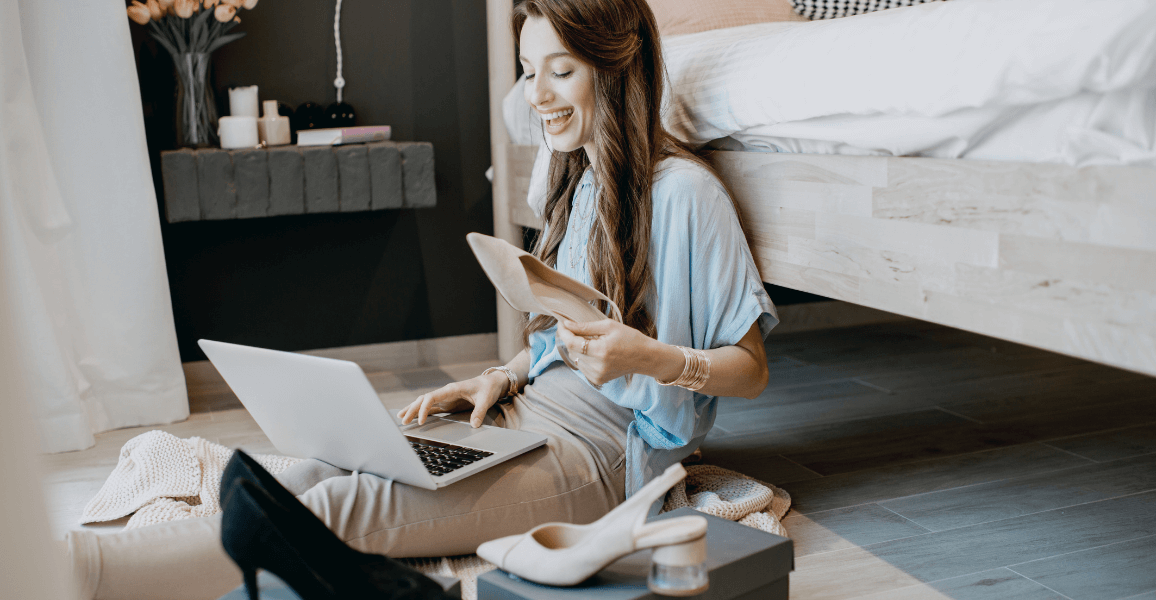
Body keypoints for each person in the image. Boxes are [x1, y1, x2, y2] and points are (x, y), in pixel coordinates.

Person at [65, 1, 777, 598]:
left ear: (616, 68)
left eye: (560, 72)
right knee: (326, 468)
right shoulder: (575, 181)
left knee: (340, 508)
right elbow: (569, 330)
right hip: (524, 414)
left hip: (599, 456)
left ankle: (74, 574)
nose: (537, 96)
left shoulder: (686, 196)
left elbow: (750, 368)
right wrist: (504, 375)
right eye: (531, 73)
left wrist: (655, 361)